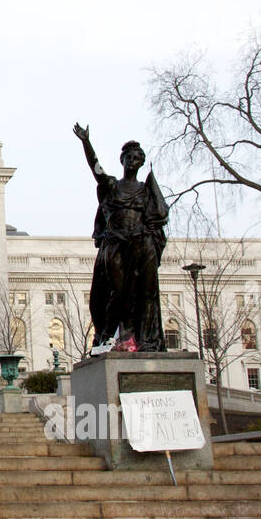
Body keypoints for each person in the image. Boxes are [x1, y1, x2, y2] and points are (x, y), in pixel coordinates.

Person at [73, 123, 169, 352]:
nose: (132, 161)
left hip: (139, 245)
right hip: (116, 244)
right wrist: (86, 142)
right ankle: (107, 334)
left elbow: (156, 218)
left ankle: (135, 338)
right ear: (123, 160)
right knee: (117, 290)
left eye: (137, 158)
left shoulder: (146, 191)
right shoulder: (112, 186)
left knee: (141, 293)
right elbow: (95, 169)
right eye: (129, 157)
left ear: (141, 162)